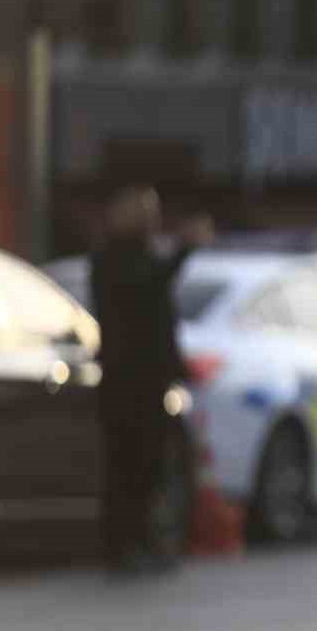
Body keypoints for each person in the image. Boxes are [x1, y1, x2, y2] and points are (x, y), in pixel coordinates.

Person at [89, 185, 213, 574]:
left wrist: (178, 366)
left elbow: (160, 317)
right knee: (128, 466)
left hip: (152, 383)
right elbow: (145, 288)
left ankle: (144, 541)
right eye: (141, 212)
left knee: (152, 465)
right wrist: (185, 249)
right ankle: (122, 546)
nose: (149, 221)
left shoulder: (143, 256)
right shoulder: (113, 259)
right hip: (126, 384)